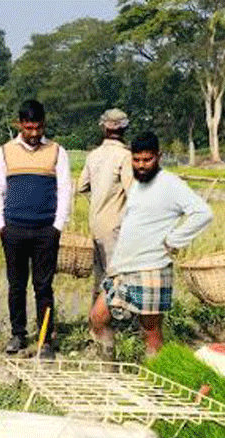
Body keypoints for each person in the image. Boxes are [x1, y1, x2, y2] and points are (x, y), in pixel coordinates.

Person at [89, 132, 213, 358]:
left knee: (150, 332)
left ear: (159, 157)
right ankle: (108, 368)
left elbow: (203, 213)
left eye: (147, 160)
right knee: (97, 318)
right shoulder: (136, 184)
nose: (141, 165)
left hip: (152, 268)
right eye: (136, 160)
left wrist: (173, 241)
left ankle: (154, 381)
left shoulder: (170, 183)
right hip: (123, 269)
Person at [0, 99, 73, 358]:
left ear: (44, 124)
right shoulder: (5, 151)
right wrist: (1, 226)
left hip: (45, 231)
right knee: (16, 285)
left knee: (43, 286)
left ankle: (45, 339)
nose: (34, 133)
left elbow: (65, 190)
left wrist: (57, 226)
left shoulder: (58, 152)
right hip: (13, 229)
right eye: (28, 128)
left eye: (38, 127)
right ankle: (18, 334)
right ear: (20, 125)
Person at [78, 108, 133, 298]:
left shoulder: (93, 155)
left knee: (100, 278)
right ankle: (115, 322)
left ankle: (96, 324)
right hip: (115, 226)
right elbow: (132, 191)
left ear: (104, 128)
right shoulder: (125, 156)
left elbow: (81, 186)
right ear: (124, 129)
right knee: (117, 277)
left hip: (96, 225)